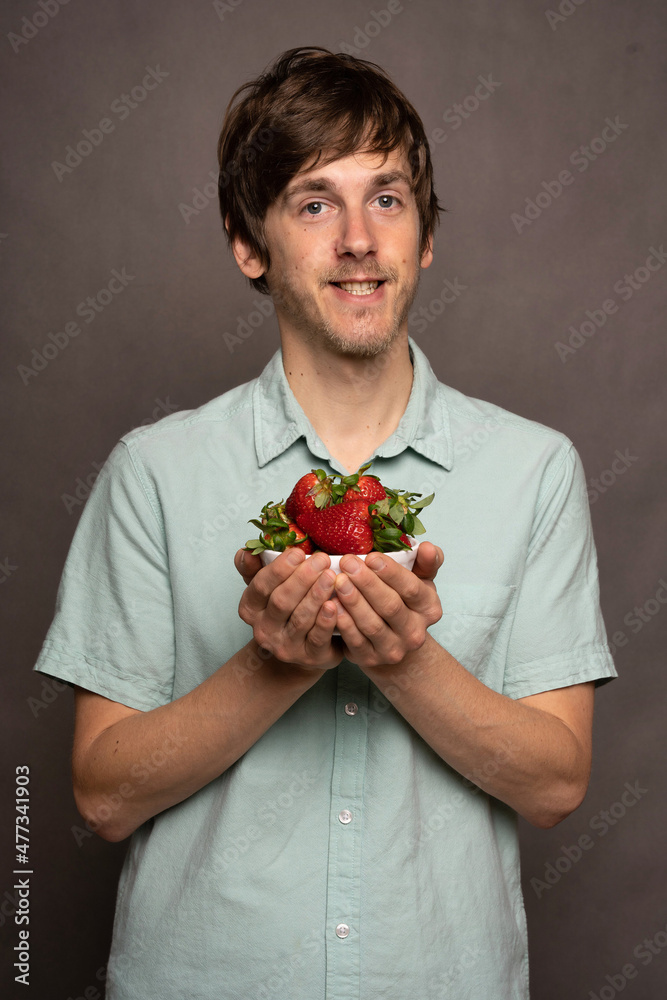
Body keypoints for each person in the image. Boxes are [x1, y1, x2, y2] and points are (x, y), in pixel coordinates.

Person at [34, 46, 617, 999]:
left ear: (425, 235)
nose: (357, 238)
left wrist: (402, 658)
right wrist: (273, 662)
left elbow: (554, 786)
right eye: (314, 202)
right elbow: (101, 794)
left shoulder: (534, 469)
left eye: (386, 198)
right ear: (247, 243)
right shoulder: (155, 472)